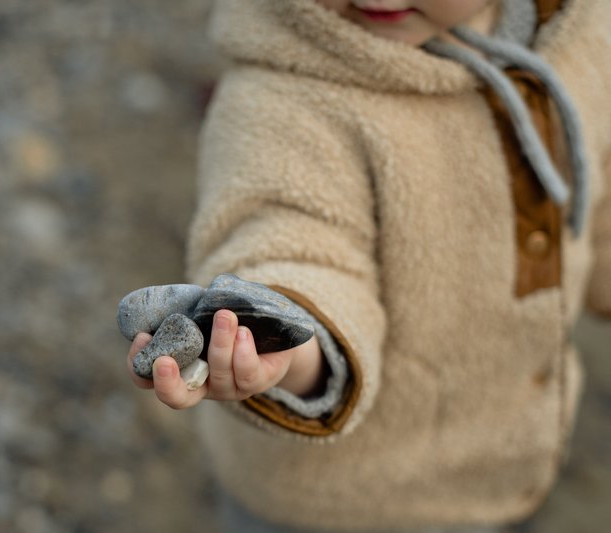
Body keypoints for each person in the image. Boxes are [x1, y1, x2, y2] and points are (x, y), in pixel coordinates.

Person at [122, 0, 611, 531]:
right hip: (334, 504)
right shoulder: (284, 96)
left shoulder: (579, 34)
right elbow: (295, 243)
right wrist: (282, 344)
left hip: (510, 462)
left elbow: (599, 176)